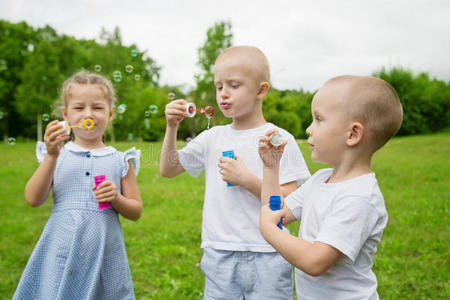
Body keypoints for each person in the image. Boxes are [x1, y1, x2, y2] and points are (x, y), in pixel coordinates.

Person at [160, 45, 310, 299]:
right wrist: (172, 127)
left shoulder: (278, 139)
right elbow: (168, 168)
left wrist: (247, 180)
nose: (223, 94)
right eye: (219, 86)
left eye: (234, 85)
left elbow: (289, 205)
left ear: (261, 90)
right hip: (219, 253)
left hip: (269, 253)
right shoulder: (212, 138)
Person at [258, 75, 403, 299]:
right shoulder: (320, 179)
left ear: (353, 134)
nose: (308, 129)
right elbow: (276, 211)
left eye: (318, 119)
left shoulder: (359, 198)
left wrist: (269, 231)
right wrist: (271, 167)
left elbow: (315, 261)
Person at [14, 71, 142, 300]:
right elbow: (33, 199)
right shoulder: (56, 155)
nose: (88, 114)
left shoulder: (120, 160)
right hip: (62, 246)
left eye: (98, 107)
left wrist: (116, 198)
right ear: (65, 115)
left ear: (111, 114)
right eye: (79, 107)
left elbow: (136, 211)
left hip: (104, 251)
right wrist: (52, 155)